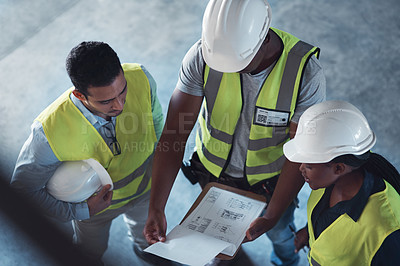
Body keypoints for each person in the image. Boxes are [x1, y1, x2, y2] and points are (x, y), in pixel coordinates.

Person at [144, 0, 326, 265]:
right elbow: (174, 134)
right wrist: (156, 206)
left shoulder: (305, 73)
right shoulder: (203, 56)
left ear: (263, 38)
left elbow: (301, 152)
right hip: (212, 175)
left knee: (280, 236)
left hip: (272, 183)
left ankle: (286, 260)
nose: (227, 70)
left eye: (238, 62)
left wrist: (273, 214)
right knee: (218, 238)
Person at [10, 41, 167, 264]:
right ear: (80, 95)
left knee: (149, 242)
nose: (119, 105)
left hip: (146, 191)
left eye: (122, 92)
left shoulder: (141, 78)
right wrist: (81, 211)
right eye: (106, 101)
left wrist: (161, 183)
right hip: (93, 213)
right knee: (89, 255)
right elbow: (24, 191)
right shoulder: (48, 132)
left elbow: (158, 124)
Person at [283, 100, 400, 265]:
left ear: (339, 168)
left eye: (308, 165)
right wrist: (309, 231)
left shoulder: (385, 230)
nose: (301, 168)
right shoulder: (334, 173)